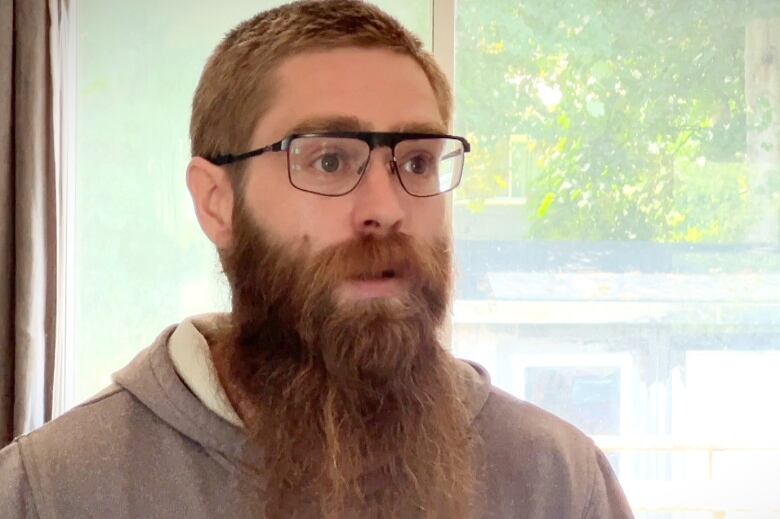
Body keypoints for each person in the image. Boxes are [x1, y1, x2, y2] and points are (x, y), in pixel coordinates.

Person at [0, 1, 634, 517]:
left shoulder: (558, 482)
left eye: (416, 162)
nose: (386, 208)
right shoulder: (51, 490)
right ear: (217, 202)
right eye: (329, 160)